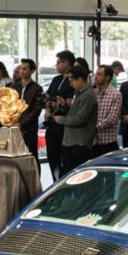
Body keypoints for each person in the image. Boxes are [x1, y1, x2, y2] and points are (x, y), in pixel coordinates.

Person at [54, 66, 97, 174]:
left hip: (79, 143)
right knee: (68, 173)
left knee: (77, 176)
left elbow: (80, 119)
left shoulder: (88, 95)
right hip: (70, 141)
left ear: (80, 79)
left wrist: (61, 120)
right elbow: (75, 113)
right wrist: (64, 105)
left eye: (71, 81)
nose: (70, 84)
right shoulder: (79, 92)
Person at [44, 50, 75, 178]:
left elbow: (70, 102)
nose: (56, 65)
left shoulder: (72, 80)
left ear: (66, 63)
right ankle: (54, 181)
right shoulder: (56, 79)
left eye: (58, 63)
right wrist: (47, 110)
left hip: (64, 125)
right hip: (51, 123)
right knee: (52, 156)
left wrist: (62, 103)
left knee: (65, 158)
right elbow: (48, 97)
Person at [11, 58, 45, 156]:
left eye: (25, 69)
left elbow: (36, 111)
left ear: (32, 71)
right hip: (14, 125)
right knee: (16, 155)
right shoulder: (14, 86)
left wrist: (21, 124)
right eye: (21, 68)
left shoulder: (37, 88)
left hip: (29, 128)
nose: (21, 71)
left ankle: (36, 172)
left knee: (32, 155)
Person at [91, 64, 122, 157]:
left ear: (107, 77)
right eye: (96, 74)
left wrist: (93, 127)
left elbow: (111, 119)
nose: (96, 76)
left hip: (108, 143)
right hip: (94, 141)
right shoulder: (94, 93)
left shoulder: (115, 94)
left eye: (99, 74)